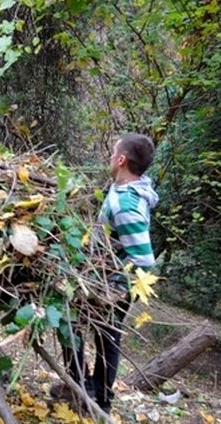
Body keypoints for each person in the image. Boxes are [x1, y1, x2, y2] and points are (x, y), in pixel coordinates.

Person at [52, 133, 159, 414]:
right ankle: (88, 389)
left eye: (113, 153)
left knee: (89, 330)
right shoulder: (125, 188)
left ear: (121, 160)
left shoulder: (126, 206)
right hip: (102, 276)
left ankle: (96, 398)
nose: (110, 158)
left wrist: (115, 289)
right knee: (95, 333)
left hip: (113, 285)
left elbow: (145, 261)